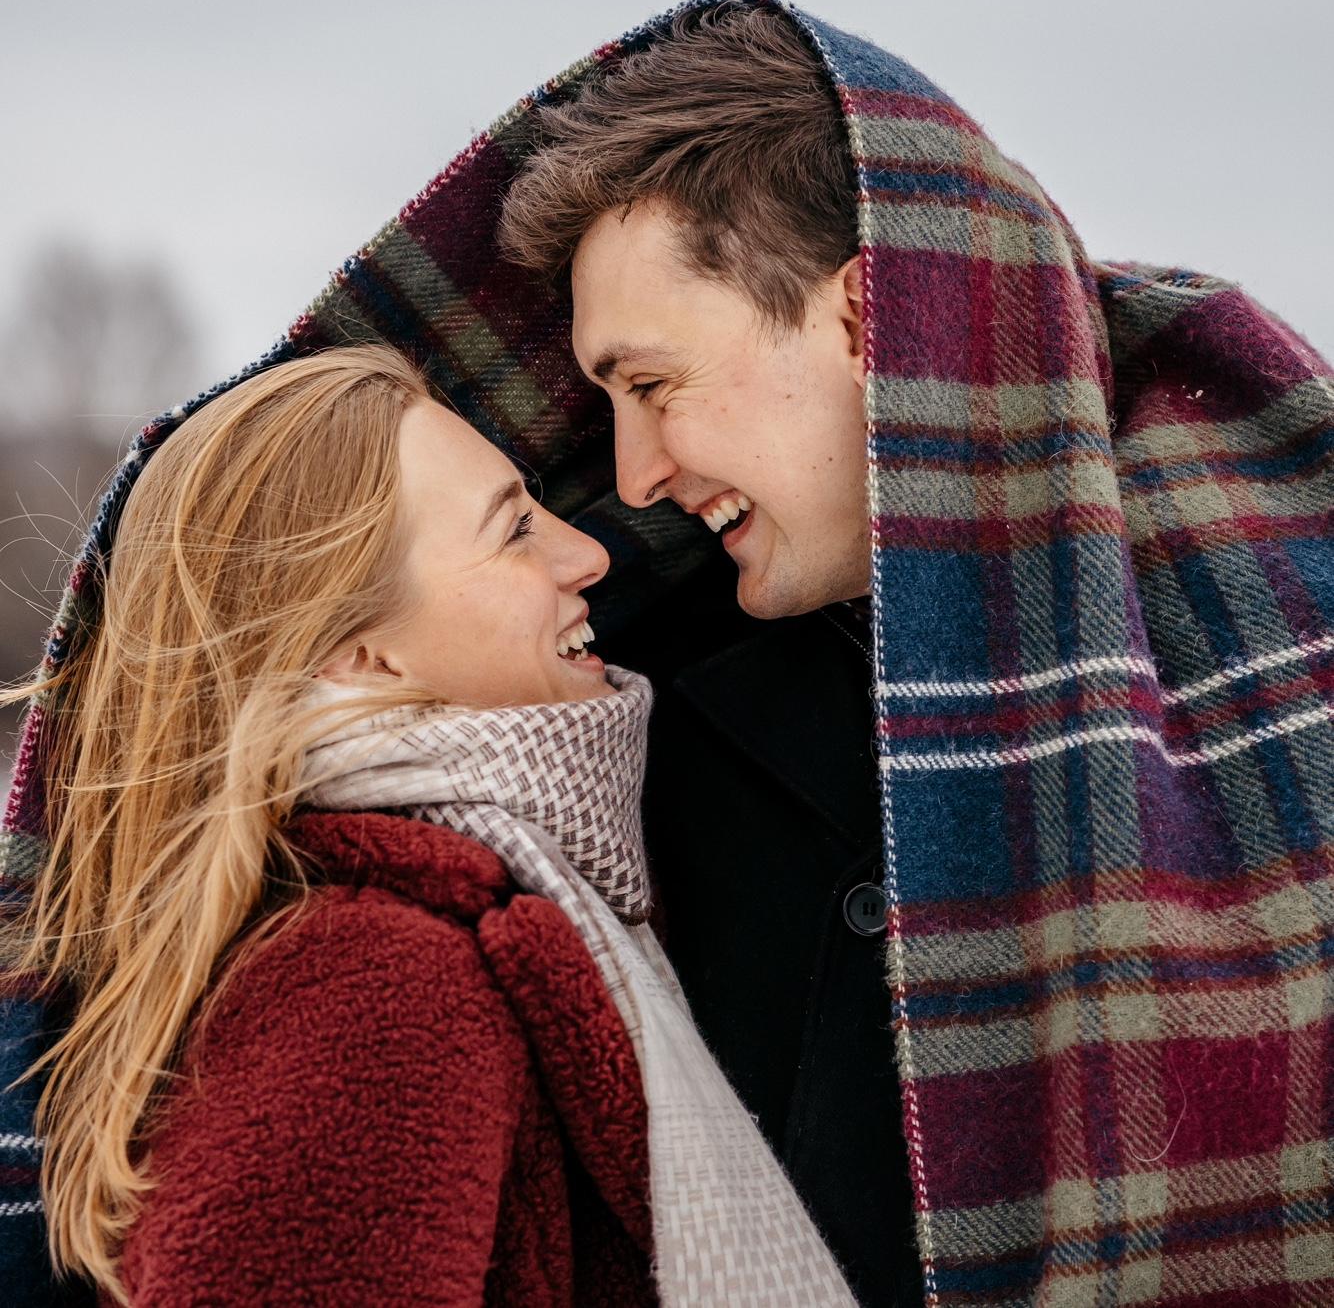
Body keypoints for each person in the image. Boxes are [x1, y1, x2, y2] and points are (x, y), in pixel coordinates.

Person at [4, 0, 1331, 1307]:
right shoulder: (619, 750)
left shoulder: (1265, 664)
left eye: (650, 384)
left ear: (865, 316)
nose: (627, 483)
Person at [0, 345, 856, 1306]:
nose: (588, 554)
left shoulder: (418, 920)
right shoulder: (375, 989)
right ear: (360, 657)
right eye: (513, 530)